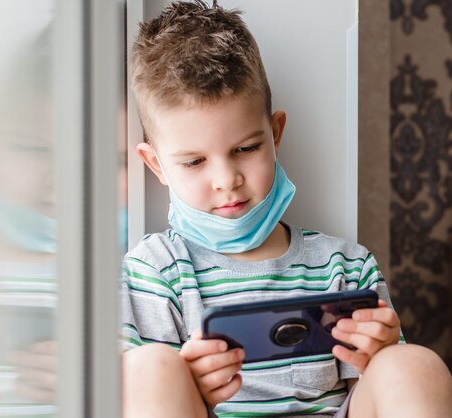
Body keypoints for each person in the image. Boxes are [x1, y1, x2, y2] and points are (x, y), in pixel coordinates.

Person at [121, 2, 452, 417]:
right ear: (156, 165)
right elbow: (129, 395)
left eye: (246, 149)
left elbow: (381, 389)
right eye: (194, 162)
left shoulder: (345, 267)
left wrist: (379, 355)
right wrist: (192, 384)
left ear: (275, 134)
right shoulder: (154, 271)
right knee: (144, 369)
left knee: (413, 365)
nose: (227, 179)